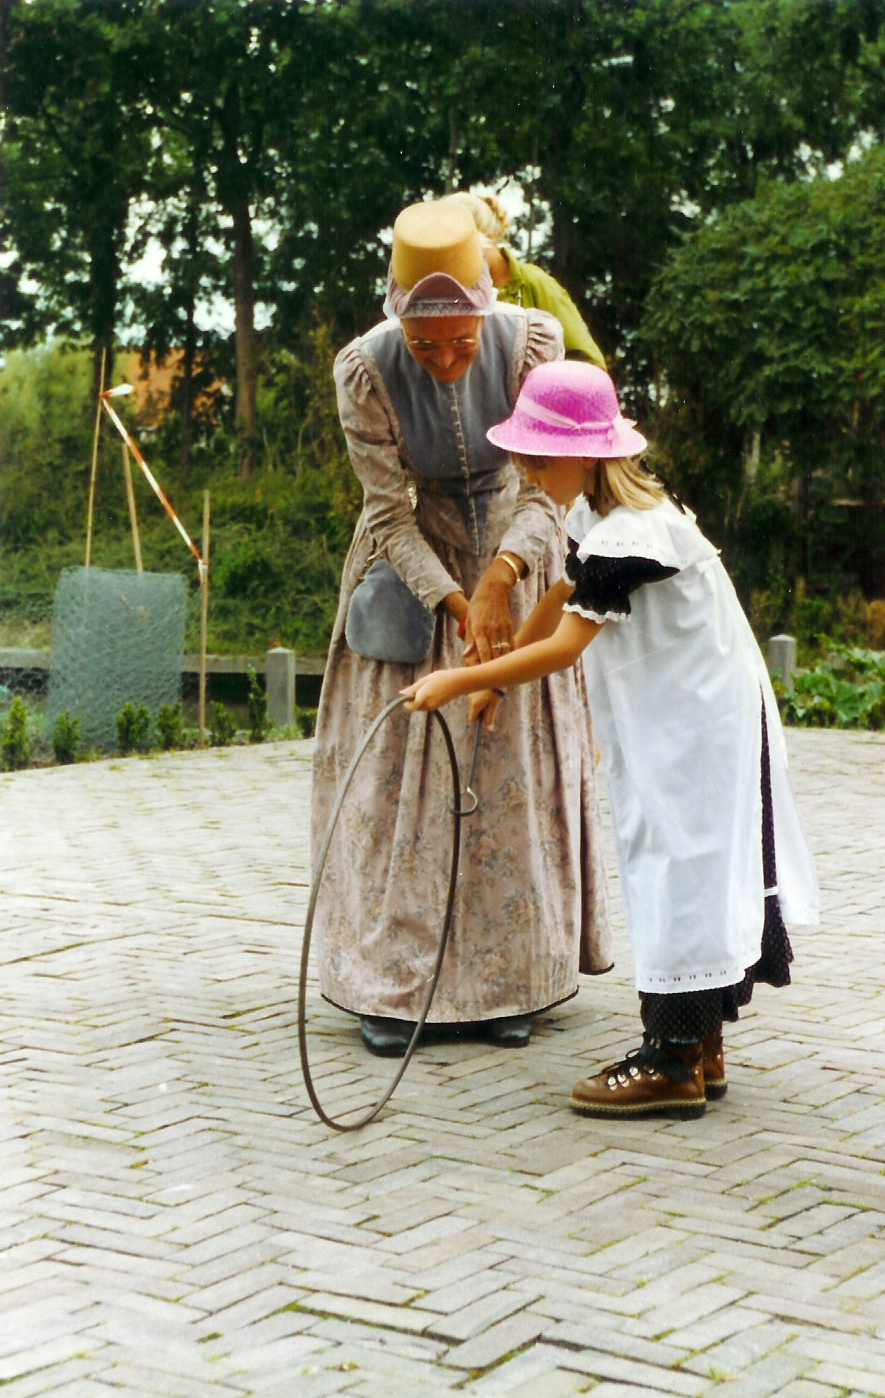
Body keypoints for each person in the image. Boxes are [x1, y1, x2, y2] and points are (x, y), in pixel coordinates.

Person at [402, 360, 819, 1118]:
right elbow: (561, 591)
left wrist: (454, 682)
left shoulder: (637, 531)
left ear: (589, 452)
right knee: (674, 865)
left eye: (539, 455)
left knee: (681, 871)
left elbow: (565, 646)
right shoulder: (596, 522)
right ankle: (699, 1045)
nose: (527, 469)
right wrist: (494, 677)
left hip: (702, 725)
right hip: (675, 716)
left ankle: (672, 1060)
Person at [311, 201, 612, 1059]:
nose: (444, 360)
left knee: (511, 766)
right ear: (395, 318)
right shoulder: (363, 371)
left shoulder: (532, 341)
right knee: (404, 780)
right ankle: (391, 983)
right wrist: (454, 602)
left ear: (486, 307)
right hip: (417, 561)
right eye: (424, 343)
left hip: (520, 544)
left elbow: (541, 487)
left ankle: (509, 980)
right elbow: (386, 512)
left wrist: (505, 582)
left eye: (459, 339)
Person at [444, 191, 606, 367]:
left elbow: (590, 365)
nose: (455, 264)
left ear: (488, 240)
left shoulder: (535, 284)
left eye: (462, 252)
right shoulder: (445, 292)